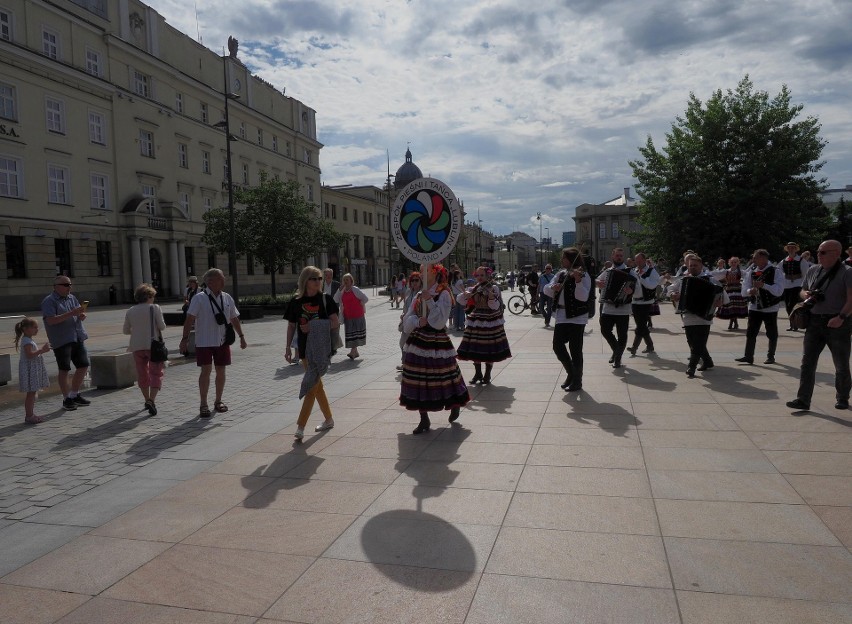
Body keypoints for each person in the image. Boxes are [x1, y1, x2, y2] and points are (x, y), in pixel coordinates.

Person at [400, 264, 470, 434]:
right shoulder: (417, 294)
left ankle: (455, 404)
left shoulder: (444, 293)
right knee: (417, 379)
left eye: (425, 270)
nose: (421, 273)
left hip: (437, 340)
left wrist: (429, 301)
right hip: (418, 340)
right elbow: (407, 320)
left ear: (435, 273)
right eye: (421, 270)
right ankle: (424, 419)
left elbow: (439, 322)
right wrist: (416, 322)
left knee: (444, 376)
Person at [786, 240, 852, 411]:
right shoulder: (813, 270)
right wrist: (805, 294)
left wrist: (841, 317)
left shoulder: (847, 272)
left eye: (823, 252)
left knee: (841, 363)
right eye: (818, 252)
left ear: (836, 253)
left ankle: (843, 397)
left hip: (837, 322)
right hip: (814, 321)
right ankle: (803, 399)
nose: (818, 255)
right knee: (807, 363)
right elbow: (802, 290)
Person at [179, 268, 247, 418]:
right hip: (204, 341)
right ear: (210, 281)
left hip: (222, 341)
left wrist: (241, 336)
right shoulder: (199, 298)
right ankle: (203, 404)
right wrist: (185, 339)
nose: (224, 281)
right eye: (220, 278)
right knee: (206, 371)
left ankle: (218, 401)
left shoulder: (226, 297)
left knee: (221, 371)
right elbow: (189, 319)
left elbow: (234, 318)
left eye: (223, 278)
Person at [285, 266, 340, 439]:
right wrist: (287, 347)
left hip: (321, 349)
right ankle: (329, 419)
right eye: (314, 278)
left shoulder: (326, 299)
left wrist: (313, 326)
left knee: (311, 386)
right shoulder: (295, 301)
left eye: (320, 278)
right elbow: (292, 325)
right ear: (305, 280)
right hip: (303, 349)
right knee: (317, 386)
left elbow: (335, 322)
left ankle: (301, 426)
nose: (318, 282)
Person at [668, 254, 726, 378]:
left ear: (701, 266)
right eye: (691, 266)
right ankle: (708, 361)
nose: (693, 268)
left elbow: (722, 295)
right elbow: (670, 289)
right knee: (692, 342)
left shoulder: (710, 279)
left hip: (704, 317)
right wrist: (673, 294)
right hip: (688, 315)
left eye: (695, 265)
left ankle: (691, 367)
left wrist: (719, 301)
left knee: (698, 343)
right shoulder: (683, 279)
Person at [41, 276, 91, 411]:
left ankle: (74, 394)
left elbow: (76, 313)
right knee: (64, 369)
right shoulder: (49, 301)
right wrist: (71, 313)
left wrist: (80, 315)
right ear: (56, 286)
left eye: (70, 284)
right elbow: (51, 321)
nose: (69, 287)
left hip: (77, 336)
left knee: (83, 365)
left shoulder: (72, 298)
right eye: (66, 285)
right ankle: (66, 398)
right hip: (61, 339)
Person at [544, 247, 591, 391]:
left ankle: (577, 381)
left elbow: (583, 297)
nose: (561, 260)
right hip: (562, 316)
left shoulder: (583, 274)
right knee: (557, 346)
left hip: (577, 317)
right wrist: (554, 287)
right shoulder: (561, 273)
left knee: (575, 349)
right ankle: (571, 373)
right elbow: (546, 289)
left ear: (570, 259)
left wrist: (578, 281)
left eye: (564, 258)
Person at [456, 266, 512, 384]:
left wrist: (491, 298)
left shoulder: (494, 287)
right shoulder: (474, 288)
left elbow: (495, 306)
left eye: (482, 275)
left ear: (487, 276)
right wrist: (465, 295)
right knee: (475, 346)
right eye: (478, 275)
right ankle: (478, 373)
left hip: (490, 319)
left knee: (489, 347)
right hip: (476, 318)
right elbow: (460, 300)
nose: (480, 278)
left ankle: (487, 374)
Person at [123, 283, 167, 415]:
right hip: (152, 346)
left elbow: (125, 330)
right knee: (156, 373)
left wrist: (138, 331)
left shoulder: (130, 310)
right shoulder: (154, 308)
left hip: (136, 346)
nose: (153, 299)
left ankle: (146, 398)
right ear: (148, 296)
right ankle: (151, 400)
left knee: (142, 374)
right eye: (152, 296)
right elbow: (162, 326)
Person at [735, 250, 784, 365]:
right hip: (754, 307)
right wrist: (749, 291)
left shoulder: (775, 271)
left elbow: (779, 291)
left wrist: (764, 285)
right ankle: (748, 356)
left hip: (770, 307)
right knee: (751, 332)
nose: (753, 260)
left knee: (771, 333)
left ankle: (770, 356)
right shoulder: (751, 271)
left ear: (764, 258)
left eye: (756, 257)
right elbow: (744, 290)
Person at [595, 248, 635, 368]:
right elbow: (597, 279)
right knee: (605, 330)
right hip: (608, 306)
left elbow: (636, 286)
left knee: (622, 334)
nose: (619, 257)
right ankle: (617, 350)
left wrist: (630, 290)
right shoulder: (608, 271)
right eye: (617, 255)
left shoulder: (630, 271)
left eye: (621, 256)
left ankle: (617, 358)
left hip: (623, 308)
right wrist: (598, 283)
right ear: (612, 256)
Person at [15, 318, 51, 424]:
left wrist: (41, 351)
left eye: (37, 327)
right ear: (26, 329)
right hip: (29, 370)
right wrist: (42, 350)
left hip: (32, 368)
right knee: (31, 393)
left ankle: (30, 414)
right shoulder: (26, 341)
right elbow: (29, 355)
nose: (37, 329)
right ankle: (29, 416)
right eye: (34, 327)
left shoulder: (29, 340)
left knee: (32, 392)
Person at [627, 253, 659, 356]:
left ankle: (634, 347)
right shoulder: (634, 271)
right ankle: (650, 345)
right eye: (636, 261)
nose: (638, 263)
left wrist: (640, 278)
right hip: (635, 301)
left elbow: (651, 286)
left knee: (640, 326)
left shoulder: (651, 271)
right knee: (641, 325)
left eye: (640, 260)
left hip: (646, 302)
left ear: (645, 260)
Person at [334, 273, 369, 359]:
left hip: (358, 315)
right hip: (348, 316)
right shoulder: (342, 291)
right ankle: (355, 352)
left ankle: (353, 352)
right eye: (344, 280)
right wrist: (339, 290)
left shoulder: (355, 289)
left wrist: (361, 303)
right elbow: (335, 299)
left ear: (351, 281)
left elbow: (365, 298)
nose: (345, 281)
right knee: (351, 334)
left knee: (356, 334)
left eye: (347, 280)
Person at [780, 242, 812, 332]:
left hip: (798, 285)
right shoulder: (784, 261)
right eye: (789, 248)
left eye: (792, 248)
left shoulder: (801, 260)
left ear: (795, 249)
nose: (791, 249)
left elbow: (805, 273)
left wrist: (804, 286)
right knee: (788, 306)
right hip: (787, 285)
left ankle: (796, 323)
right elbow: (779, 272)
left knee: (795, 305)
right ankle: (792, 323)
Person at [715, 256, 748, 330]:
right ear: (729, 263)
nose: (733, 263)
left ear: (738, 263)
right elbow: (716, 275)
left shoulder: (741, 271)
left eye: (735, 262)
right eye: (732, 262)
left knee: (734, 307)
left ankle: (732, 323)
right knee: (731, 306)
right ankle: (735, 323)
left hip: (737, 290)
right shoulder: (726, 271)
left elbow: (748, 276)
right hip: (729, 289)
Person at [397, 271, 422, 371]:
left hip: (416, 322)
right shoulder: (408, 291)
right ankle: (404, 363)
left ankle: (411, 364)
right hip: (406, 320)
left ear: (420, 281)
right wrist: (403, 314)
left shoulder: (421, 293)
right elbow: (406, 306)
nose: (414, 282)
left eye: (417, 280)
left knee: (414, 344)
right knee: (403, 343)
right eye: (412, 280)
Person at [322, 268, 341, 352]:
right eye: (326, 275)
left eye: (330, 275)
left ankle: (334, 346)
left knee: (335, 328)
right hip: (323, 309)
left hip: (334, 309)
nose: (328, 276)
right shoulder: (320, 285)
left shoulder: (337, 284)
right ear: (324, 276)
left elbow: (341, 295)